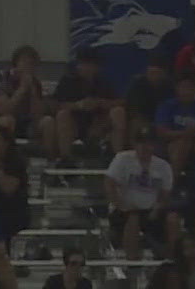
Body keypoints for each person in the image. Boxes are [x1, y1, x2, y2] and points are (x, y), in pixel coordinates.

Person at [105, 130, 177, 260]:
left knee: (173, 219)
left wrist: (157, 208)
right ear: (135, 144)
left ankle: (173, 257)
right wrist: (120, 204)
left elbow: (165, 193)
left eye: (149, 143)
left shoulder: (163, 166)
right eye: (141, 143)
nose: (145, 147)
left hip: (152, 209)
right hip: (124, 209)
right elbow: (109, 183)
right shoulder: (122, 159)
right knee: (134, 218)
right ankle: (133, 261)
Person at [53, 45, 124, 164]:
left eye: (91, 64)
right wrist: (78, 105)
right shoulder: (67, 81)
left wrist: (100, 103)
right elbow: (55, 105)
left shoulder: (103, 82)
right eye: (83, 64)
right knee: (62, 115)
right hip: (74, 124)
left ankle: (118, 160)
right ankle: (66, 160)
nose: (86, 68)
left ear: (97, 67)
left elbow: (120, 102)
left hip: (99, 125)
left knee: (118, 113)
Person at [0, 44, 56, 148]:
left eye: (31, 64)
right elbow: (5, 109)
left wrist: (33, 91)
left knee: (48, 122)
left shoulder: (35, 83)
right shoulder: (3, 78)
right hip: (3, 119)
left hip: (27, 122)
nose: (27, 66)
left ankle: (51, 160)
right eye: (24, 62)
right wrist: (22, 89)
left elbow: (38, 114)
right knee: (6, 121)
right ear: (16, 63)